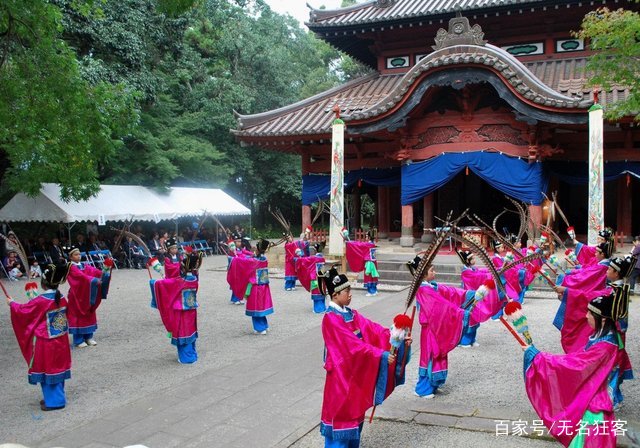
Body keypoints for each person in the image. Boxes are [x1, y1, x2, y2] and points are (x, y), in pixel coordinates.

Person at [319, 266, 411, 447]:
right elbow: (351, 346)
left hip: (356, 373)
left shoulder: (351, 314)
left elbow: (373, 330)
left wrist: (395, 337)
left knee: (355, 417)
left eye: (350, 290)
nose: (350, 294)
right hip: (341, 377)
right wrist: (381, 355)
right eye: (346, 291)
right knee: (342, 417)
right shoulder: (331, 319)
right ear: (335, 295)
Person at [523, 292, 627, 447]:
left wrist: (540, 358)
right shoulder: (604, 337)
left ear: (603, 319)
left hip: (594, 406)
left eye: (590, 313)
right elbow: (579, 361)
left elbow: (577, 366)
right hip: (596, 398)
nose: (586, 316)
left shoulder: (605, 346)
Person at [6, 262, 72, 411]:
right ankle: (54, 397)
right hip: (60, 339)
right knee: (57, 369)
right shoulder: (60, 297)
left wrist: (12, 304)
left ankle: (55, 401)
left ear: (43, 283)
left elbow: (24, 311)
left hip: (46, 341)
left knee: (48, 369)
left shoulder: (42, 300)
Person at [149, 250, 202, 364]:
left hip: (181, 311)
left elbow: (162, 285)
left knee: (182, 331)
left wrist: (153, 282)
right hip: (191, 309)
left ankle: (187, 357)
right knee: (190, 329)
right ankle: (191, 353)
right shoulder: (194, 279)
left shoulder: (179, 281)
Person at [65, 245, 112, 348]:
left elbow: (95, 271)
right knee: (78, 316)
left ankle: (89, 337)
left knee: (89, 313)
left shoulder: (84, 265)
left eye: (79, 254)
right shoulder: (71, 267)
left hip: (88, 294)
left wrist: (105, 271)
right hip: (77, 296)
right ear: (71, 257)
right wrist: (94, 280)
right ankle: (78, 340)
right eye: (76, 255)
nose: (78, 256)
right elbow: (80, 277)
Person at [227, 239, 274, 334]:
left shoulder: (254, 261)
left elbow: (243, 261)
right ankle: (265, 325)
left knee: (256, 307)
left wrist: (233, 258)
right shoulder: (264, 259)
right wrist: (239, 254)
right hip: (264, 286)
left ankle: (260, 328)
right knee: (262, 307)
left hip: (256, 287)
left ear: (258, 250)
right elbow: (248, 257)